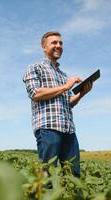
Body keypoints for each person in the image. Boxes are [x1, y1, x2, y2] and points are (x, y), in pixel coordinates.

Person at [22, 31, 92, 177]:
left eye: (60, 43)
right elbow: (35, 93)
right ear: (43, 46)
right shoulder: (35, 67)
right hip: (48, 128)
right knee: (47, 175)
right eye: (54, 43)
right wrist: (66, 87)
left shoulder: (63, 75)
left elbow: (68, 103)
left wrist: (82, 93)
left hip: (69, 130)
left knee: (74, 176)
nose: (58, 45)